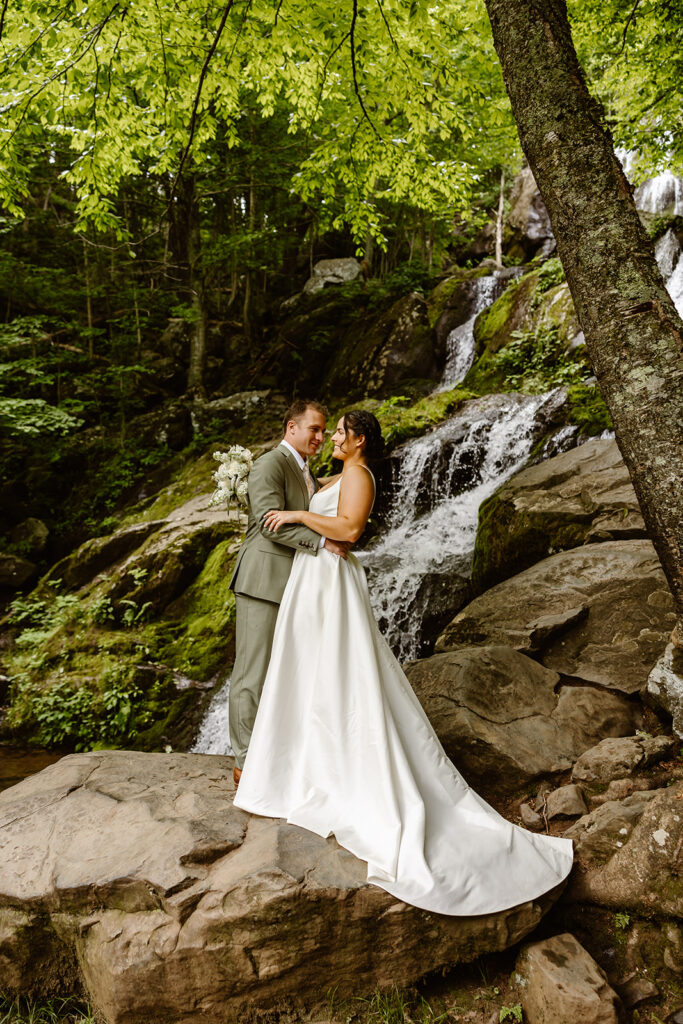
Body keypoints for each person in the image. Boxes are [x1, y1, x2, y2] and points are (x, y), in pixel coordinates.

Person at [233, 409, 574, 916]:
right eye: (322, 431)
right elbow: (304, 494)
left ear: (359, 439)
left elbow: (348, 529)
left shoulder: (357, 474)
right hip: (313, 580)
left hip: (329, 578)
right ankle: (302, 757)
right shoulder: (333, 472)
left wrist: (302, 516)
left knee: (342, 672)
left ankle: (339, 766)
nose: (330, 438)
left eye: (339, 432)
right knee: (310, 670)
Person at [228, 399, 350, 789]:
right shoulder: (270, 464)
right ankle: (244, 764)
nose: (320, 436)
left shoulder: (303, 469)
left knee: (284, 673)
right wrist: (323, 543)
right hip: (262, 581)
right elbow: (268, 524)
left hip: (295, 585)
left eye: (323, 429)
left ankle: (275, 756)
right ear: (291, 428)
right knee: (252, 673)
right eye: (313, 429)